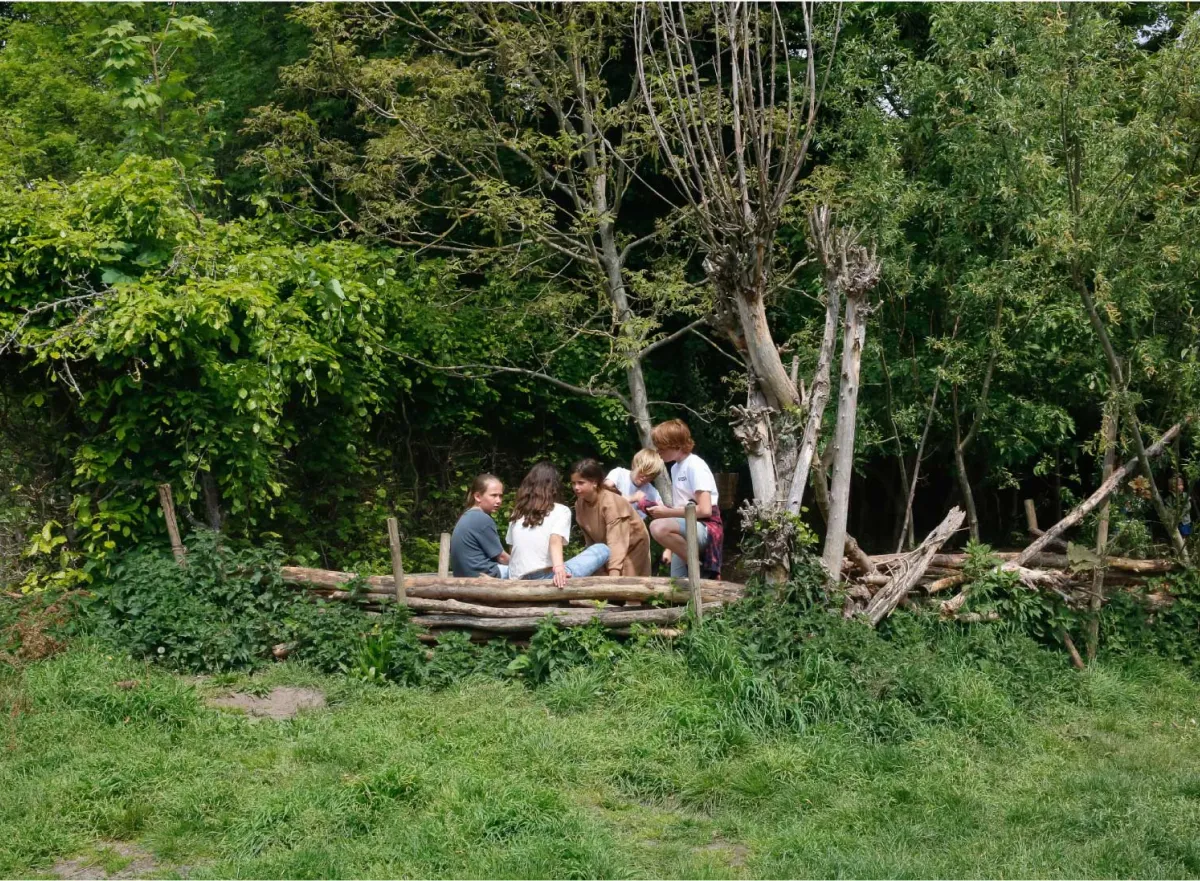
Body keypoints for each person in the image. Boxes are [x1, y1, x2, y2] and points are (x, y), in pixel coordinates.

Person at [506, 461, 610, 586]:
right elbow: (555, 539)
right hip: (545, 577)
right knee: (602, 549)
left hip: (516, 579)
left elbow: (513, 549)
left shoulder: (517, 512)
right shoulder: (561, 510)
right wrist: (559, 569)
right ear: (554, 486)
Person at [646, 419, 724, 579]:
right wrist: (669, 547)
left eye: (661, 445)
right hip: (686, 530)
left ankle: (699, 568)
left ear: (676, 445)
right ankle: (698, 568)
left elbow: (705, 510)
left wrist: (666, 513)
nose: (658, 450)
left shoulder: (695, 465)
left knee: (657, 526)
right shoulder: (675, 468)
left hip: (706, 528)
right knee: (677, 587)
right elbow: (679, 513)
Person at [573, 458, 652, 576]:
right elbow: (590, 540)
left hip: (632, 547)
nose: (576, 487)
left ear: (594, 482)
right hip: (609, 547)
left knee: (627, 588)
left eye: (581, 483)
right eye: (573, 483)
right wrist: (596, 564)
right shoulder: (579, 504)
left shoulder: (611, 503)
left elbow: (617, 542)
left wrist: (613, 575)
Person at [450, 473, 509, 578]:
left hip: (463, 576)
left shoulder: (466, 516)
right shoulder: (482, 519)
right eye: (494, 495)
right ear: (478, 496)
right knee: (529, 572)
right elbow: (502, 558)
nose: (499, 501)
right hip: (484, 575)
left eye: (500, 496)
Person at [605, 448, 663, 521]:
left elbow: (662, 511)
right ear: (634, 465)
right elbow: (604, 491)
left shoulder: (652, 492)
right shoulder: (618, 474)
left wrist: (648, 508)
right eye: (642, 471)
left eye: (650, 475)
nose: (644, 477)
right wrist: (632, 498)